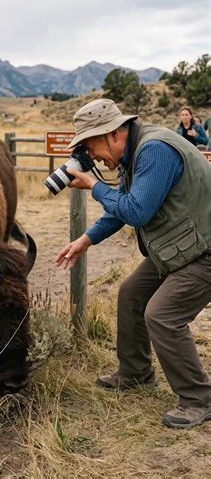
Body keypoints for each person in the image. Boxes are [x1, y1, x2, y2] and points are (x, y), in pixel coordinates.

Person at [56, 98, 211, 429]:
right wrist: (86, 240)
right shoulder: (136, 151)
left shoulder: (155, 151)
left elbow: (137, 211)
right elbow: (124, 205)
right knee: (130, 294)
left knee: (162, 315)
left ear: (113, 133)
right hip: (178, 247)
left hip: (204, 251)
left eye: (90, 145)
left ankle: (199, 398)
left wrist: (94, 186)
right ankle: (136, 374)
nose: (90, 155)